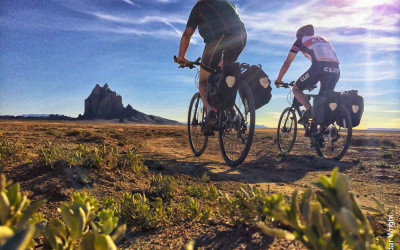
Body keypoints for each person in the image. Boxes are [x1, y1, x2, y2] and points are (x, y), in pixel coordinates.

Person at [176, 0, 247, 134]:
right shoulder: (227, 3)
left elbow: (187, 34)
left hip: (218, 40)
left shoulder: (199, 6)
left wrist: (181, 57)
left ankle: (210, 112)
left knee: (203, 80)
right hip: (241, 38)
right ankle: (229, 111)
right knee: (222, 72)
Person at [275, 24, 340, 126]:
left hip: (318, 68)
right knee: (322, 99)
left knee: (296, 89)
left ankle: (309, 111)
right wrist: (313, 83)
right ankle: (321, 133)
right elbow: (326, 61)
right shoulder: (323, 39)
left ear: (299, 35)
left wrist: (279, 79)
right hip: (336, 70)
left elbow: (287, 62)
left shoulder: (300, 41)